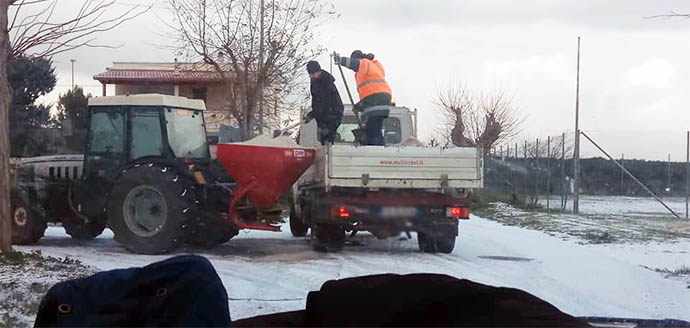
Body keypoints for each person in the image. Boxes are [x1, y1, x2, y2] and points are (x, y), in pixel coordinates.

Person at [334, 50, 392, 145]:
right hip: (380, 98)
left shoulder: (366, 64)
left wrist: (341, 60)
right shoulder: (371, 67)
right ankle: (375, 145)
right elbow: (369, 93)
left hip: (377, 99)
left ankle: (376, 149)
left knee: (373, 129)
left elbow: (355, 64)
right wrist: (359, 105)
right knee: (372, 126)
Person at [305, 60, 344, 145]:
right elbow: (316, 102)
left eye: (313, 73)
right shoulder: (314, 82)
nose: (311, 76)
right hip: (323, 116)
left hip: (332, 114)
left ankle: (328, 150)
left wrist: (314, 114)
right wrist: (312, 114)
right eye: (310, 74)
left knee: (327, 138)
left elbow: (324, 103)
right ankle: (326, 148)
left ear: (318, 71)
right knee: (323, 139)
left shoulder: (326, 82)